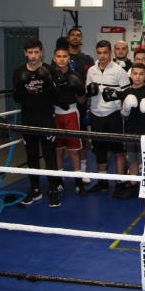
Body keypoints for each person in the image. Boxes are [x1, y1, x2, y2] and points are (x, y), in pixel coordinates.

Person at [13, 38, 62, 208]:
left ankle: (53, 190)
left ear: (41, 52)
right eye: (30, 52)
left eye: (36, 52)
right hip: (28, 119)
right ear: (25, 53)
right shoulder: (18, 71)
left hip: (46, 118)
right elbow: (16, 98)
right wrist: (20, 84)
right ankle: (35, 190)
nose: (33, 56)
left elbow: (57, 97)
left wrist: (48, 81)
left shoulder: (49, 70)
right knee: (31, 156)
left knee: (49, 156)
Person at [85, 40, 131, 196]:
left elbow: (128, 94)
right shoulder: (91, 70)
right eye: (99, 52)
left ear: (110, 52)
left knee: (118, 150)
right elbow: (87, 91)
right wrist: (88, 91)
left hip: (113, 114)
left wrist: (116, 96)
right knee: (99, 150)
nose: (102, 56)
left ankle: (119, 182)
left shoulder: (119, 71)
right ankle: (102, 182)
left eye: (105, 52)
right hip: (96, 113)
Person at [118, 63, 145, 199]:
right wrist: (125, 110)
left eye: (141, 74)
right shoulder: (126, 92)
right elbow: (122, 115)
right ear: (131, 75)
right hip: (131, 131)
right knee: (133, 160)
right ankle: (132, 185)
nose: (138, 77)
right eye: (135, 74)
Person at [52, 44, 88, 197]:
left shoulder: (75, 74)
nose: (61, 59)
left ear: (69, 58)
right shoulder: (49, 75)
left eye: (64, 56)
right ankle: (59, 180)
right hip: (54, 113)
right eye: (59, 56)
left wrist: (80, 90)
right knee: (57, 149)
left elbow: (81, 100)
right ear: (54, 58)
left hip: (72, 113)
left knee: (74, 150)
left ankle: (78, 182)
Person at [65, 28, 95, 184]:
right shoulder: (61, 57)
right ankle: (59, 173)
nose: (75, 38)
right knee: (60, 138)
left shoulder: (87, 59)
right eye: (72, 35)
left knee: (83, 136)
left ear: (81, 39)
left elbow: (91, 79)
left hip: (82, 101)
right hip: (64, 102)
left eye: (78, 35)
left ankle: (82, 169)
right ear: (68, 38)